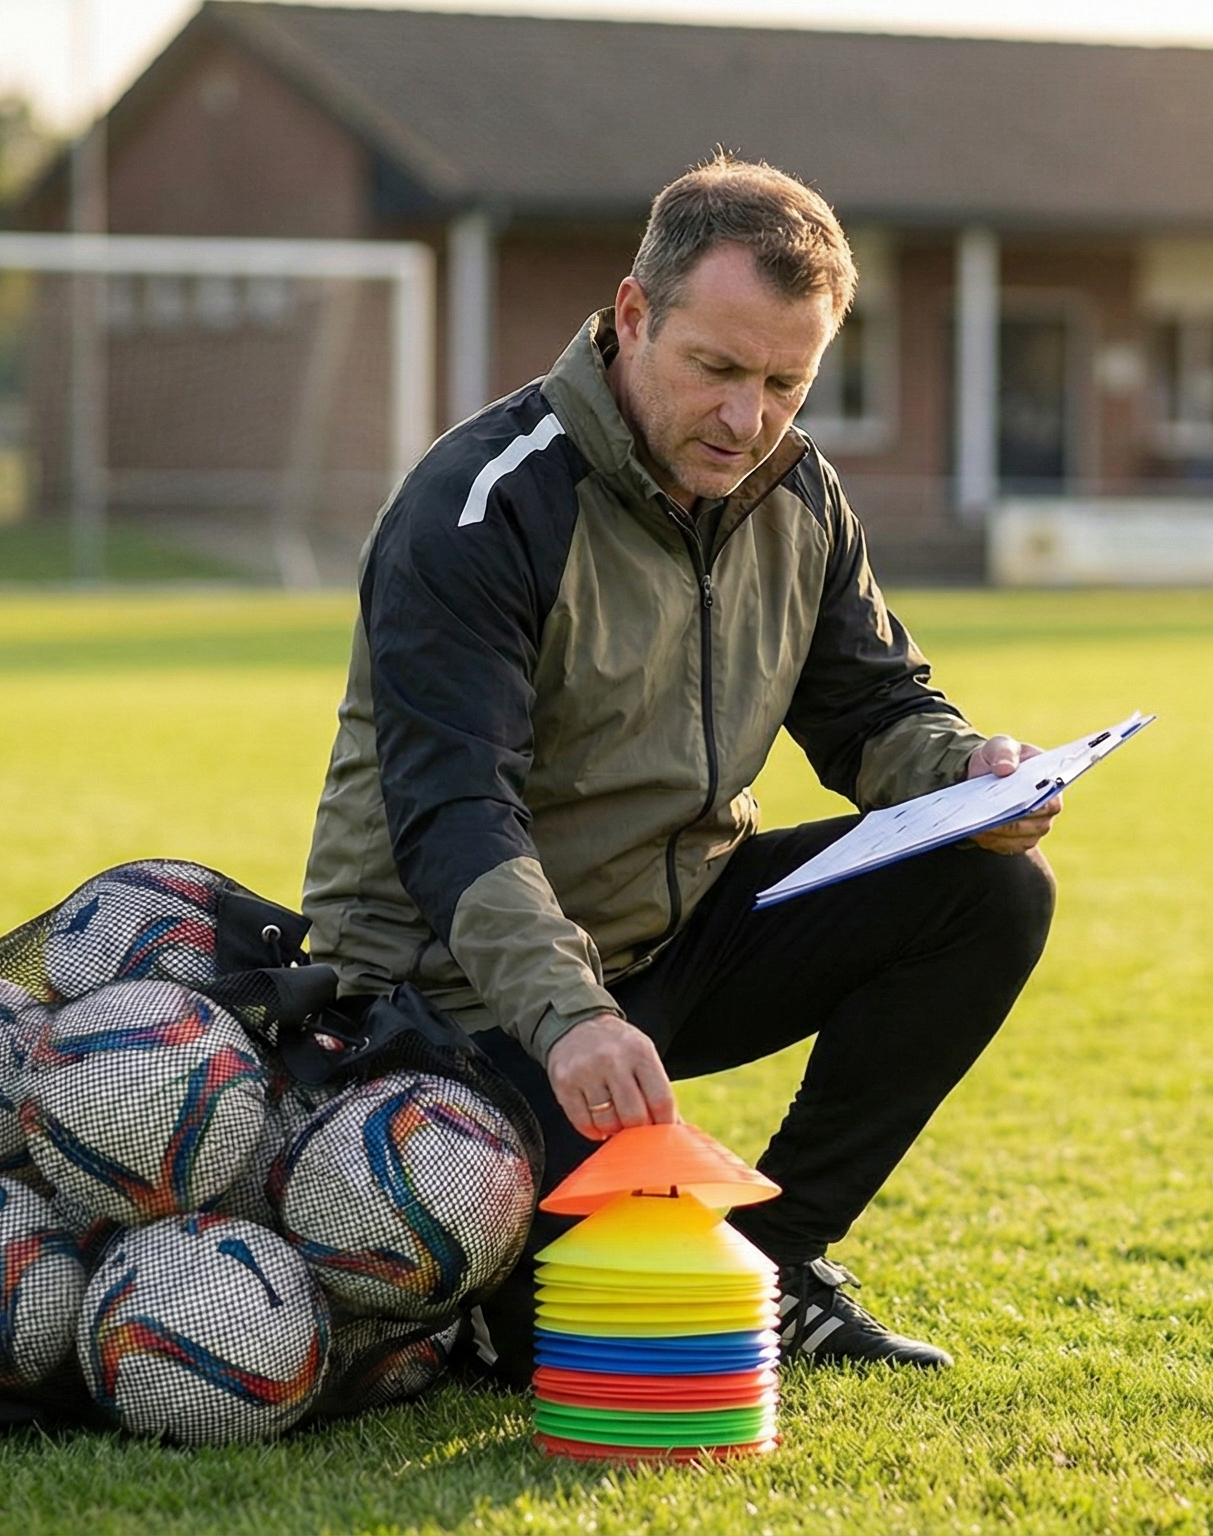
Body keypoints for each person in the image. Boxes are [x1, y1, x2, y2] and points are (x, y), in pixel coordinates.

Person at [300, 153, 1060, 1376]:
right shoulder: (479, 504)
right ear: (634, 315)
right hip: (451, 993)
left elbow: (869, 708)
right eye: (716, 369)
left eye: (784, 383)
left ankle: (775, 1261)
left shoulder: (795, 493)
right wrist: (569, 1019)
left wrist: (966, 771)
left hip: (675, 939)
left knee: (986, 886)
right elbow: (454, 815)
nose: (746, 419)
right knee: (559, 1331)